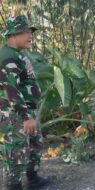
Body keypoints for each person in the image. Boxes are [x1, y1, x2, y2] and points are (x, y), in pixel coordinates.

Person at [0, 15, 50, 190]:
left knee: (35, 143)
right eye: (25, 32)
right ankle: (13, 186)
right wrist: (25, 115)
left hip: (26, 111)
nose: (30, 36)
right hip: (15, 113)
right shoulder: (6, 56)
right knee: (16, 150)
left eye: (30, 32)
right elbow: (10, 89)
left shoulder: (18, 54)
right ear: (12, 35)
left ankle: (33, 178)